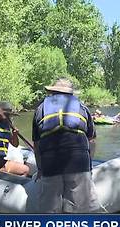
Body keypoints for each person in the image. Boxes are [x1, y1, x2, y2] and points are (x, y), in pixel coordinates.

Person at [32, 78, 96, 213]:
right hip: (78, 161)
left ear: (52, 91)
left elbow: (37, 145)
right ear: (71, 93)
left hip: (50, 162)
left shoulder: (40, 109)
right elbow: (91, 141)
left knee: (50, 209)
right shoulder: (82, 107)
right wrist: (89, 167)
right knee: (79, 210)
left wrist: (40, 169)